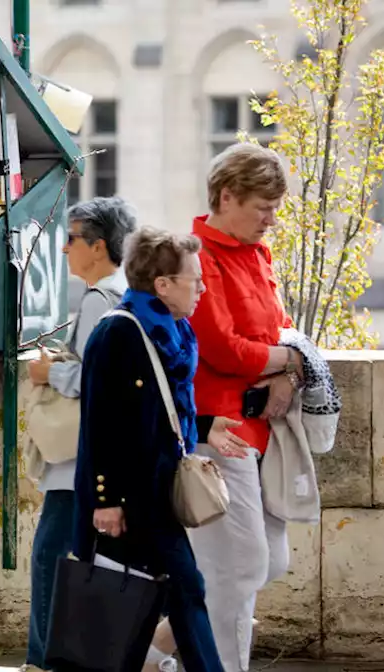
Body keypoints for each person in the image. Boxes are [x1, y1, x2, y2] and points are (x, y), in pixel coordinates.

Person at [72, 226, 246, 672]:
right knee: (182, 591)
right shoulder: (119, 333)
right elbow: (99, 424)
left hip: (157, 492)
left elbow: (155, 412)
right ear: (163, 284)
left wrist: (205, 425)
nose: (203, 288)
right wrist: (105, 500)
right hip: (127, 500)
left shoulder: (171, 333)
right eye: (195, 279)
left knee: (150, 601)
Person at [186, 142, 298, 672]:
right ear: (227, 196)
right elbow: (223, 349)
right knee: (239, 567)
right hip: (216, 430)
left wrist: (285, 363)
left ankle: (165, 641)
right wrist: (288, 359)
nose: (272, 220)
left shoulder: (256, 251)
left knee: (267, 561)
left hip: (261, 432)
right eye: (263, 207)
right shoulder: (196, 258)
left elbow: (278, 327)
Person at [22, 196, 135, 671]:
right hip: (102, 456)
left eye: (71, 240)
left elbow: (96, 379)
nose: (64, 249)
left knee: (51, 558)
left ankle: (43, 660)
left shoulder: (98, 301)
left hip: (78, 460)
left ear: (98, 246)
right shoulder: (125, 294)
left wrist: (50, 373)